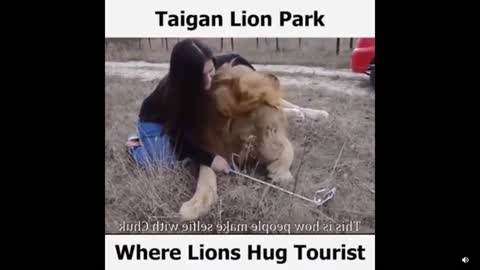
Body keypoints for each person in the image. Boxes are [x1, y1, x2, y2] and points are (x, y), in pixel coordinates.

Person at [126, 39, 255, 174]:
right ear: (187, 78)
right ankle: (135, 147)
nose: (209, 81)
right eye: (201, 76)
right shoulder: (176, 95)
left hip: (185, 119)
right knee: (168, 163)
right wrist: (211, 160)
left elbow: (237, 58)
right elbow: (179, 138)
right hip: (156, 122)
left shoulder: (216, 63)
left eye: (210, 71)